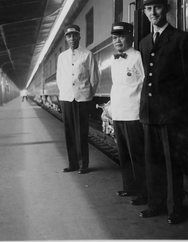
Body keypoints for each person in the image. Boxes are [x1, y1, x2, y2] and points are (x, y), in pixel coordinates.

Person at [139, 0, 188, 224]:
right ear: (144, 12)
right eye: (148, 8)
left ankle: (175, 209)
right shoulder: (144, 43)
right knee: (152, 162)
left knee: (172, 163)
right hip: (149, 113)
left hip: (172, 115)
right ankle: (155, 204)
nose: (153, 12)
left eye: (157, 7)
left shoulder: (182, 39)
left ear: (166, 8)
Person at [110, 22, 147, 205]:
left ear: (130, 37)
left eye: (121, 36)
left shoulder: (138, 58)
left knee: (137, 156)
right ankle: (129, 187)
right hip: (118, 113)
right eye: (114, 37)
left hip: (133, 114)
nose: (117, 41)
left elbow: (144, 85)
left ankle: (143, 192)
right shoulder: (114, 60)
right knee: (123, 154)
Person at [56, 24, 100, 174]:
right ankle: (72, 163)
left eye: (75, 35)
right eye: (69, 36)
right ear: (66, 39)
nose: (72, 38)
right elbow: (59, 77)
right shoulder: (62, 57)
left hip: (82, 98)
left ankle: (83, 164)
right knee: (69, 131)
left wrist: (88, 95)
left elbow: (94, 78)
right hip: (67, 97)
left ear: (79, 37)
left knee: (82, 131)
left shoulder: (87, 54)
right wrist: (64, 92)